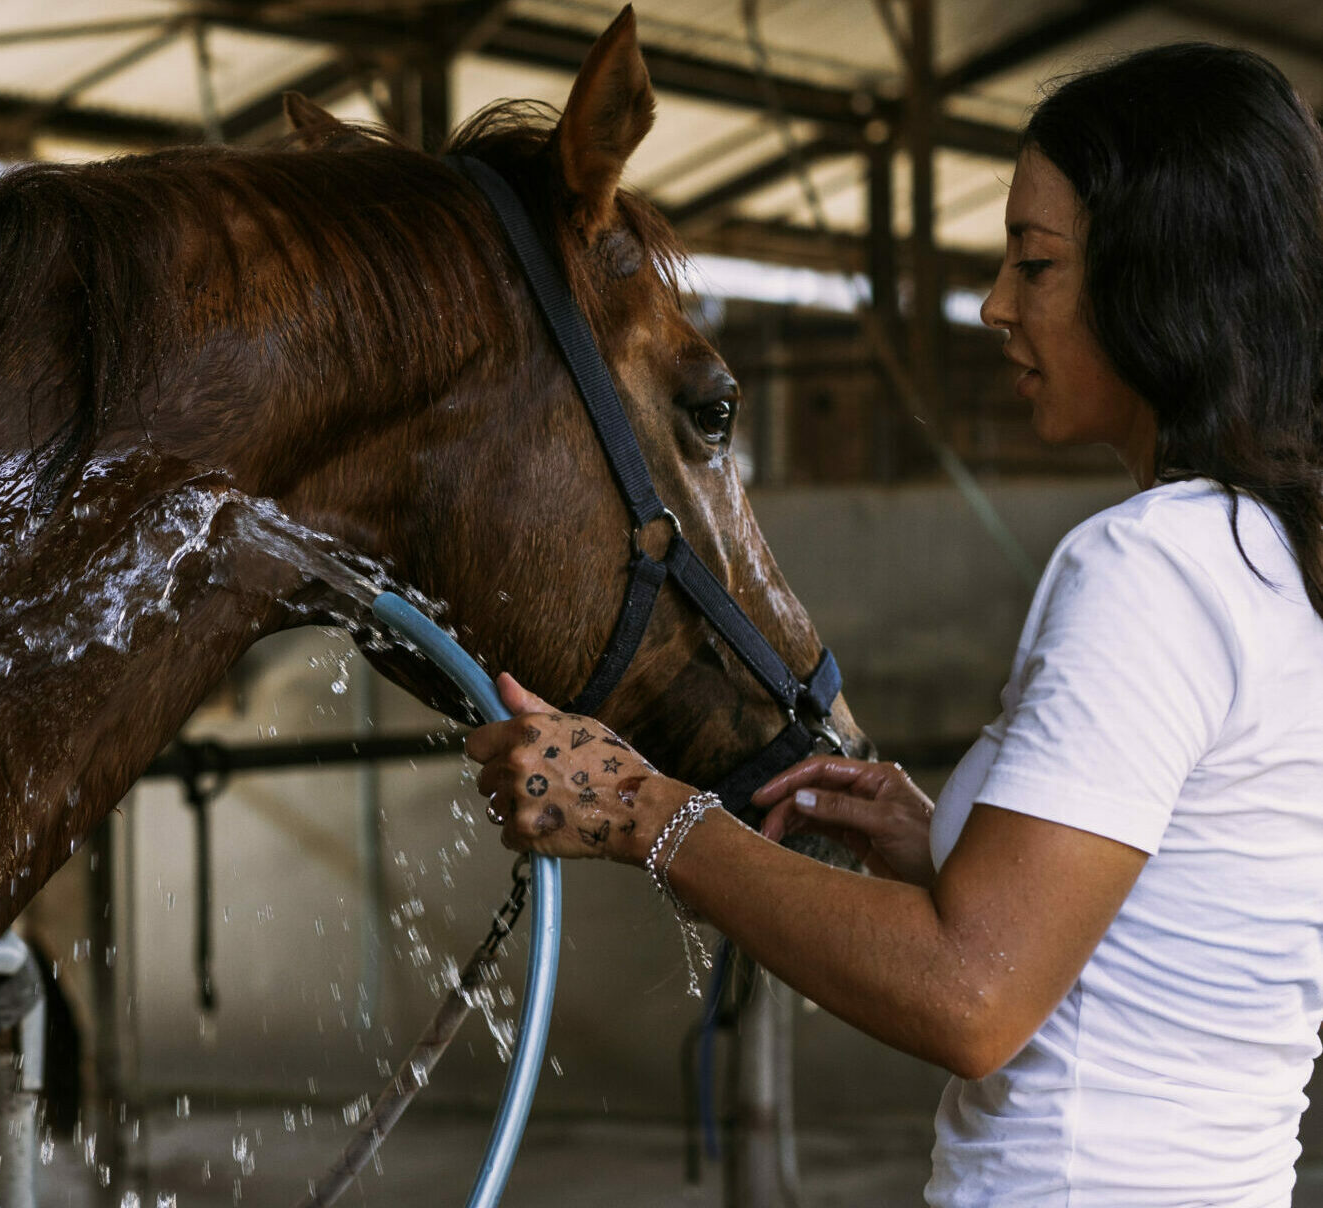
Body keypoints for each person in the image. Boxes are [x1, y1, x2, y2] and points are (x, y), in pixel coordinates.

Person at [466, 42, 1323, 1207]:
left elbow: (970, 996)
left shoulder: (1148, 566)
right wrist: (942, 843)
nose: (992, 303)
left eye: (1034, 263)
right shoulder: (1259, 557)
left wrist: (643, 812)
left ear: (1159, 280)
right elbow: (1169, 924)